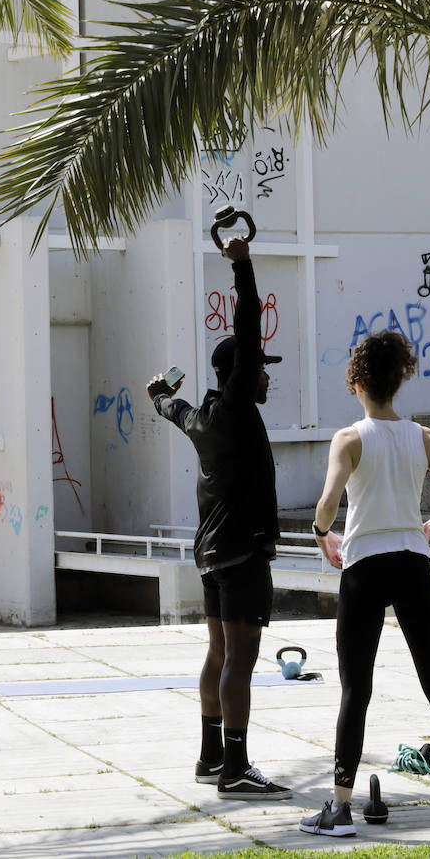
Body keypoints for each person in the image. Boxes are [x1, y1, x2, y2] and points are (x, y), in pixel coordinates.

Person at [299, 330, 430, 837]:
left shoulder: (350, 439)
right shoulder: (425, 439)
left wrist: (321, 536)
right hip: (413, 564)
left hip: (364, 565)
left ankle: (339, 809)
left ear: (357, 383)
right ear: (400, 379)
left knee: (356, 689)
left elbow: (329, 503)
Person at [147, 233, 290, 801]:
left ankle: (210, 758)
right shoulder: (232, 407)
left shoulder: (200, 416)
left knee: (217, 653)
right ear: (242, 372)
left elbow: (170, 406)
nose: (267, 375)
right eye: (261, 368)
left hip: (211, 555)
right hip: (241, 551)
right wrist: (243, 267)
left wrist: (158, 395)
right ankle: (236, 766)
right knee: (242, 658)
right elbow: (250, 329)